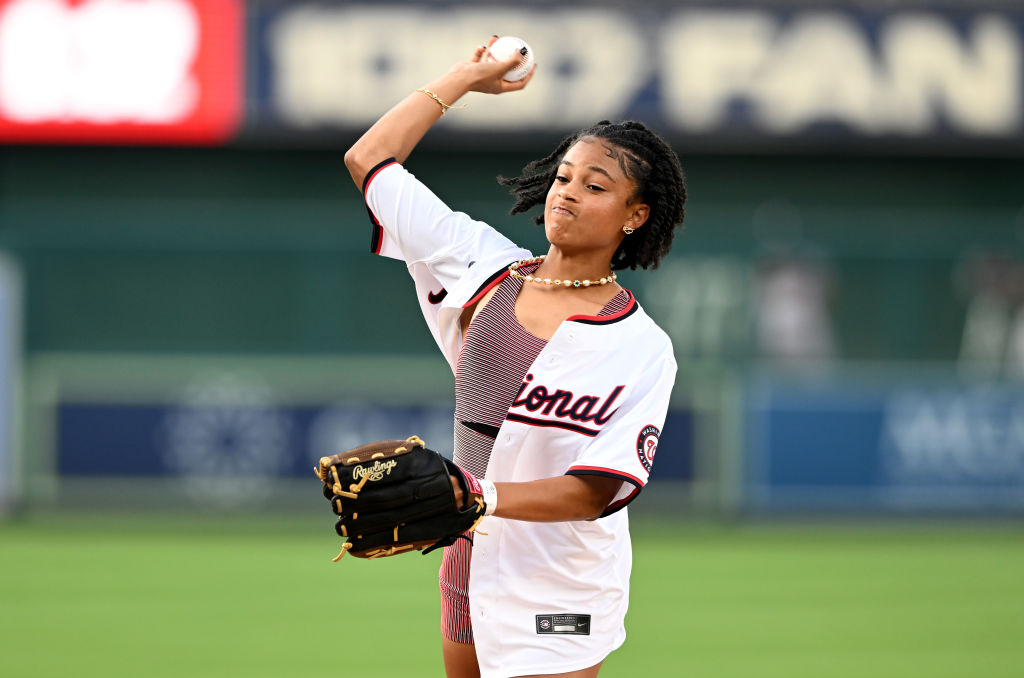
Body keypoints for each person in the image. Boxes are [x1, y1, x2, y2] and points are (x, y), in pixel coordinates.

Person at [343, 37, 687, 678]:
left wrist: (476, 494)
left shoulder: (641, 347)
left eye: (595, 185)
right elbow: (369, 159)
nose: (567, 193)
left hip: (564, 581)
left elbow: (598, 491)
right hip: (469, 560)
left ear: (635, 215)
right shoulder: (480, 266)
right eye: (563, 177)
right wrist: (465, 79)